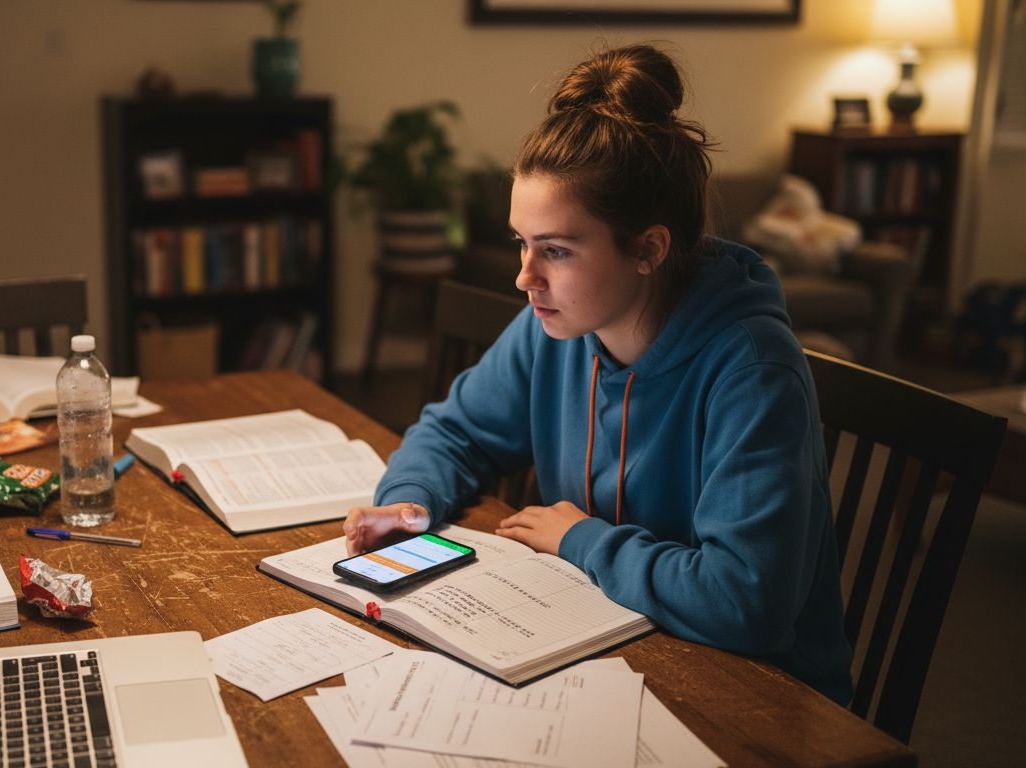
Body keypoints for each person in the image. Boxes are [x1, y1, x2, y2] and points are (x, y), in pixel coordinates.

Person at [342, 44, 853, 704]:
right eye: (522, 243)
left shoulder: (751, 370)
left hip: (760, 696)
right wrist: (409, 502)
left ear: (648, 249)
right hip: (607, 643)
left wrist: (582, 540)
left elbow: (744, 603)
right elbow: (454, 432)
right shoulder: (555, 325)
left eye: (556, 250)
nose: (525, 277)